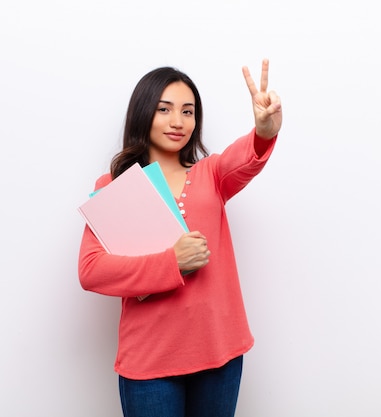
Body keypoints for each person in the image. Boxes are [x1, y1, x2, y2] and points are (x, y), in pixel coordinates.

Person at [78, 59, 282, 417]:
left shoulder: (212, 174)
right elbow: (91, 270)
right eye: (165, 109)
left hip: (220, 354)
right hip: (149, 362)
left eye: (188, 112)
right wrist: (171, 262)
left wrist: (263, 132)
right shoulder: (114, 186)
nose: (178, 121)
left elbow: (245, 157)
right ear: (143, 114)